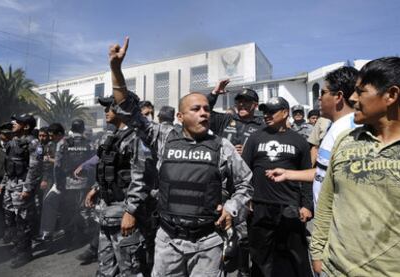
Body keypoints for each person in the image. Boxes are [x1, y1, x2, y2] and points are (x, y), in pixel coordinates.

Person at [109, 36, 253, 277]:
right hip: (168, 242)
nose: (204, 113)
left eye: (207, 109)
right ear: (180, 116)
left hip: (208, 243)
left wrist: (232, 207)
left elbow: (245, 183)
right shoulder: (163, 137)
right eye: (196, 109)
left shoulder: (222, 146)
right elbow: (128, 111)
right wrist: (115, 69)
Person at [311, 57, 400, 276]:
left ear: (391, 95)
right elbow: (327, 202)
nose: (353, 98)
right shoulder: (345, 140)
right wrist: (317, 253)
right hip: (334, 269)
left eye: (361, 92)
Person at [266, 66, 359, 205]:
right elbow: (325, 173)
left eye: (323, 92)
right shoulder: (332, 126)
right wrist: (288, 174)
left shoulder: (351, 131)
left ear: (338, 97)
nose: (319, 98)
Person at [242, 97, 313, 277]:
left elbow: (307, 174)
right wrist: (246, 198)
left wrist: (306, 205)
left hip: (289, 206)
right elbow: (244, 171)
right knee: (260, 256)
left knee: (295, 256)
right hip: (259, 206)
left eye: (271, 111)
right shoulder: (255, 138)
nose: (267, 115)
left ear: (285, 112)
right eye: (265, 112)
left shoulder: (299, 141)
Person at [84, 95, 153, 276]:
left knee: (130, 268)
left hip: (125, 213)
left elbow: (142, 177)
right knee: (105, 267)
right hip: (107, 212)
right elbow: (106, 169)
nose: (106, 111)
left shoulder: (137, 136)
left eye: (110, 107)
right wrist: (95, 188)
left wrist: (131, 211)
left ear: (123, 109)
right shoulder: (112, 136)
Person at [207, 83, 264, 276]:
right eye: (239, 101)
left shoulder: (262, 125)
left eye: (246, 102)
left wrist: (247, 151)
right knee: (222, 231)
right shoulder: (225, 120)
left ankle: (245, 271)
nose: (241, 105)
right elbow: (204, 109)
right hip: (223, 187)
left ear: (255, 105)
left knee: (246, 236)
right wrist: (214, 93)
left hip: (249, 187)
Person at [1, 114, 43, 268]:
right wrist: (5, 184)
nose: (13, 123)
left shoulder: (34, 143)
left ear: (26, 126)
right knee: (13, 217)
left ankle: (25, 253)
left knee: (23, 220)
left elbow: (35, 169)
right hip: (11, 185)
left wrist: (27, 189)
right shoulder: (13, 142)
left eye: (18, 122)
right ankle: (19, 246)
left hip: (22, 186)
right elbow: (9, 165)